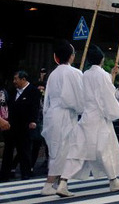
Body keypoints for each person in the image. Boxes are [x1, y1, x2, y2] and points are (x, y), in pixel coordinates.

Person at [55, 45, 119, 197]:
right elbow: (107, 95)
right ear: (102, 59)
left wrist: (111, 76)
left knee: (77, 151)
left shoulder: (86, 74)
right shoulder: (102, 75)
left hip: (86, 117)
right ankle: (113, 181)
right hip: (100, 118)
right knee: (107, 150)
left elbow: (94, 93)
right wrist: (118, 114)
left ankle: (63, 182)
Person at [39, 41, 83, 196]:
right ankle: (51, 183)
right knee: (64, 150)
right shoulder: (75, 73)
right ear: (71, 56)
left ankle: (58, 183)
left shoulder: (53, 74)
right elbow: (79, 98)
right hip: (66, 114)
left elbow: (48, 99)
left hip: (52, 113)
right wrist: (81, 109)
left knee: (57, 150)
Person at [0, 71, 40, 182]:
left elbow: (35, 108)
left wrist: (33, 121)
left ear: (23, 79)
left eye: (16, 79)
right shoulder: (12, 91)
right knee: (8, 151)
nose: (14, 81)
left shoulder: (33, 91)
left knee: (24, 152)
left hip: (24, 126)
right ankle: (4, 175)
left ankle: (25, 175)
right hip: (11, 126)